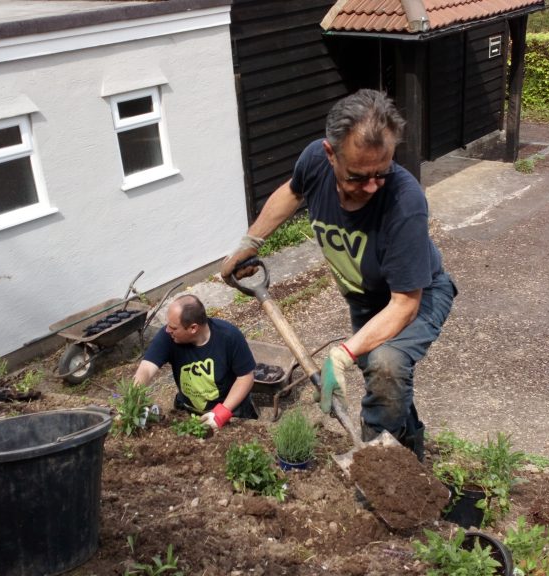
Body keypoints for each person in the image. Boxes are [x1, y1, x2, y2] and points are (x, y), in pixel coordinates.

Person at [221, 89, 456, 460]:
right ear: (330, 154)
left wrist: (342, 353)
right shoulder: (315, 160)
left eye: (382, 172)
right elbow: (293, 191)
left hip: (417, 295)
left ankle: (378, 467)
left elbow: (405, 304)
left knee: (387, 365)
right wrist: (251, 241)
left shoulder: (405, 202)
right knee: (385, 384)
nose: (372, 186)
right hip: (365, 298)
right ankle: (411, 458)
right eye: (358, 176)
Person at [133, 294, 258, 431]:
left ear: (193, 328)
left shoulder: (229, 337)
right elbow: (146, 368)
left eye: (174, 328)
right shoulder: (167, 336)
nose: (168, 330)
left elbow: (245, 377)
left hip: (230, 409)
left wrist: (221, 414)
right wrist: (134, 398)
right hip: (188, 410)